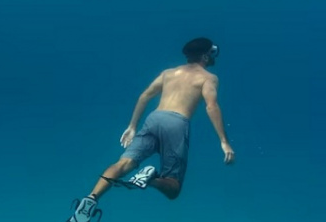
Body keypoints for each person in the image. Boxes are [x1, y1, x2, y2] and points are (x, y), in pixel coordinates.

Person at [88, 37, 235, 202]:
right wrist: (224, 141)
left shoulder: (168, 73)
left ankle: (91, 198)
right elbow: (211, 106)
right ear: (206, 56)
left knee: (123, 163)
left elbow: (145, 96)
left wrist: (132, 126)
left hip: (154, 118)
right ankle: (150, 179)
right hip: (176, 123)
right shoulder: (208, 77)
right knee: (173, 187)